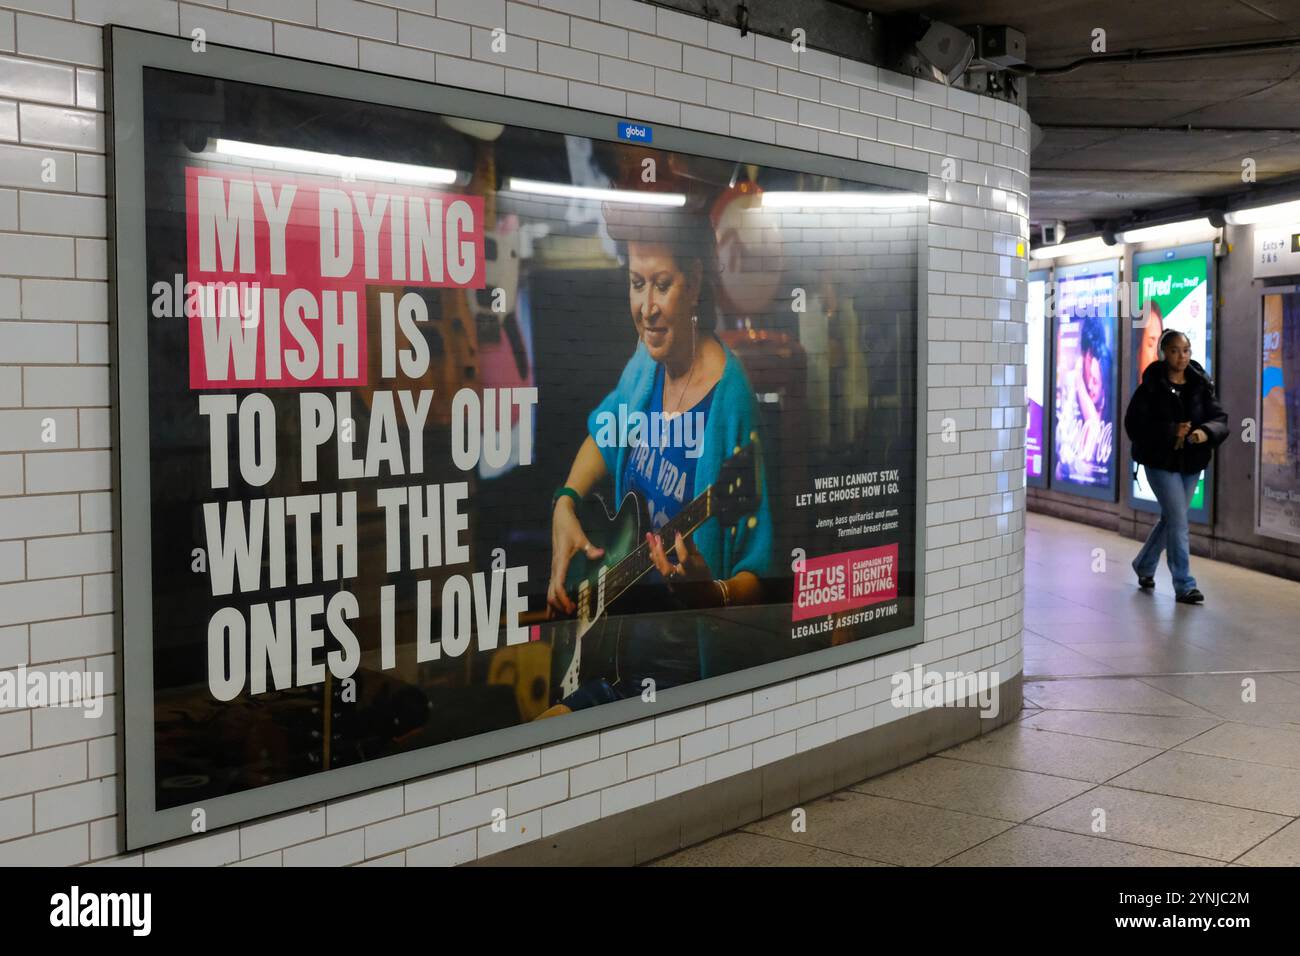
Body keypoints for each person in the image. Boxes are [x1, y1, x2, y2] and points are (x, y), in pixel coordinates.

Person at [541, 207, 773, 715]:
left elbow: (761, 570)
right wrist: (565, 501)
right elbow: (604, 434)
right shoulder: (646, 363)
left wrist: (710, 592)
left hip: (677, 673)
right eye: (636, 283)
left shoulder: (732, 403)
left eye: (662, 284)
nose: (646, 307)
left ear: (695, 284)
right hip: (614, 645)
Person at [1124, 329, 1228, 603]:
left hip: (1191, 462)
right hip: (1159, 462)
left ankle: (1144, 565)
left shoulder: (1200, 384)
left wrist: (1203, 432)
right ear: (1163, 353)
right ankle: (1184, 584)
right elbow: (1134, 425)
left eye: (1186, 350)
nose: (1181, 356)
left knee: (1173, 518)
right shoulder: (1151, 386)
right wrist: (1171, 430)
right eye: (1174, 350)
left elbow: (1219, 418)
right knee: (1179, 521)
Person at [1055, 312, 1114, 484]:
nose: (1090, 386)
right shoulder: (1073, 390)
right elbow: (1061, 459)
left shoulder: (1107, 406)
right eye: (1087, 377)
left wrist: (1080, 384)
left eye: (1095, 381)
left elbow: (1095, 427)